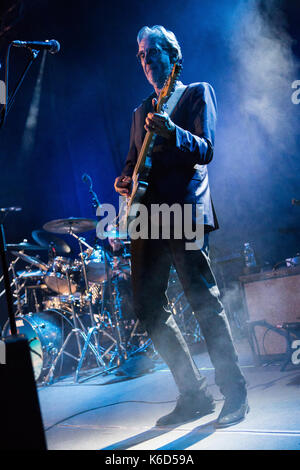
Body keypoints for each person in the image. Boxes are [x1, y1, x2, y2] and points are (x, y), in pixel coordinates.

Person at [114, 25, 248, 428]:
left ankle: (235, 390)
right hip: (146, 216)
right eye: (139, 55)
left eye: (151, 52)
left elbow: (206, 149)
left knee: (201, 299)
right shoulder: (140, 112)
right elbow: (131, 161)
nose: (145, 61)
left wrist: (173, 131)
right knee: (147, 305)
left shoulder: (195, 93)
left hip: (184, 211)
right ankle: (193, 395)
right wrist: (123, 180)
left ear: (172, 55)